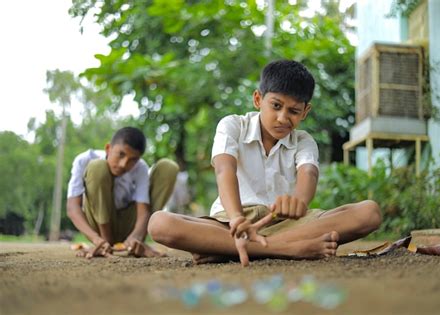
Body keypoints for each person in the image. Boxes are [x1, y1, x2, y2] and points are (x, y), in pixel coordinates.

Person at [147, 60, 382, 266]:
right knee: (160, 223)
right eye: (276, 106)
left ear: (305, 112)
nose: (282, 118)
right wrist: (237, 218)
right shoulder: (232, 125)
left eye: (293, 111)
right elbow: (223, 169)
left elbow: (308, 173)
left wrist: (299, 202)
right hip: (228, 224)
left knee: (369, 212)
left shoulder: (304, 141)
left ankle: (229, 249)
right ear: (258, 99)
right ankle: (286, 249)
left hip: (286, 224)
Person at [67, 126, 179, 258]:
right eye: (121, 154)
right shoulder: (84, 160)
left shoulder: (140, 168)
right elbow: (72, 208)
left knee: (169, 167)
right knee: (97, 167)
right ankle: (105, 243)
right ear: (108, 148)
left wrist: (135, 237)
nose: (124, 164)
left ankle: (134, 244)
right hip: (97, 225)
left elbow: (143, 212)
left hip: (128, 225)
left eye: (133, 160)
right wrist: (97, 239)